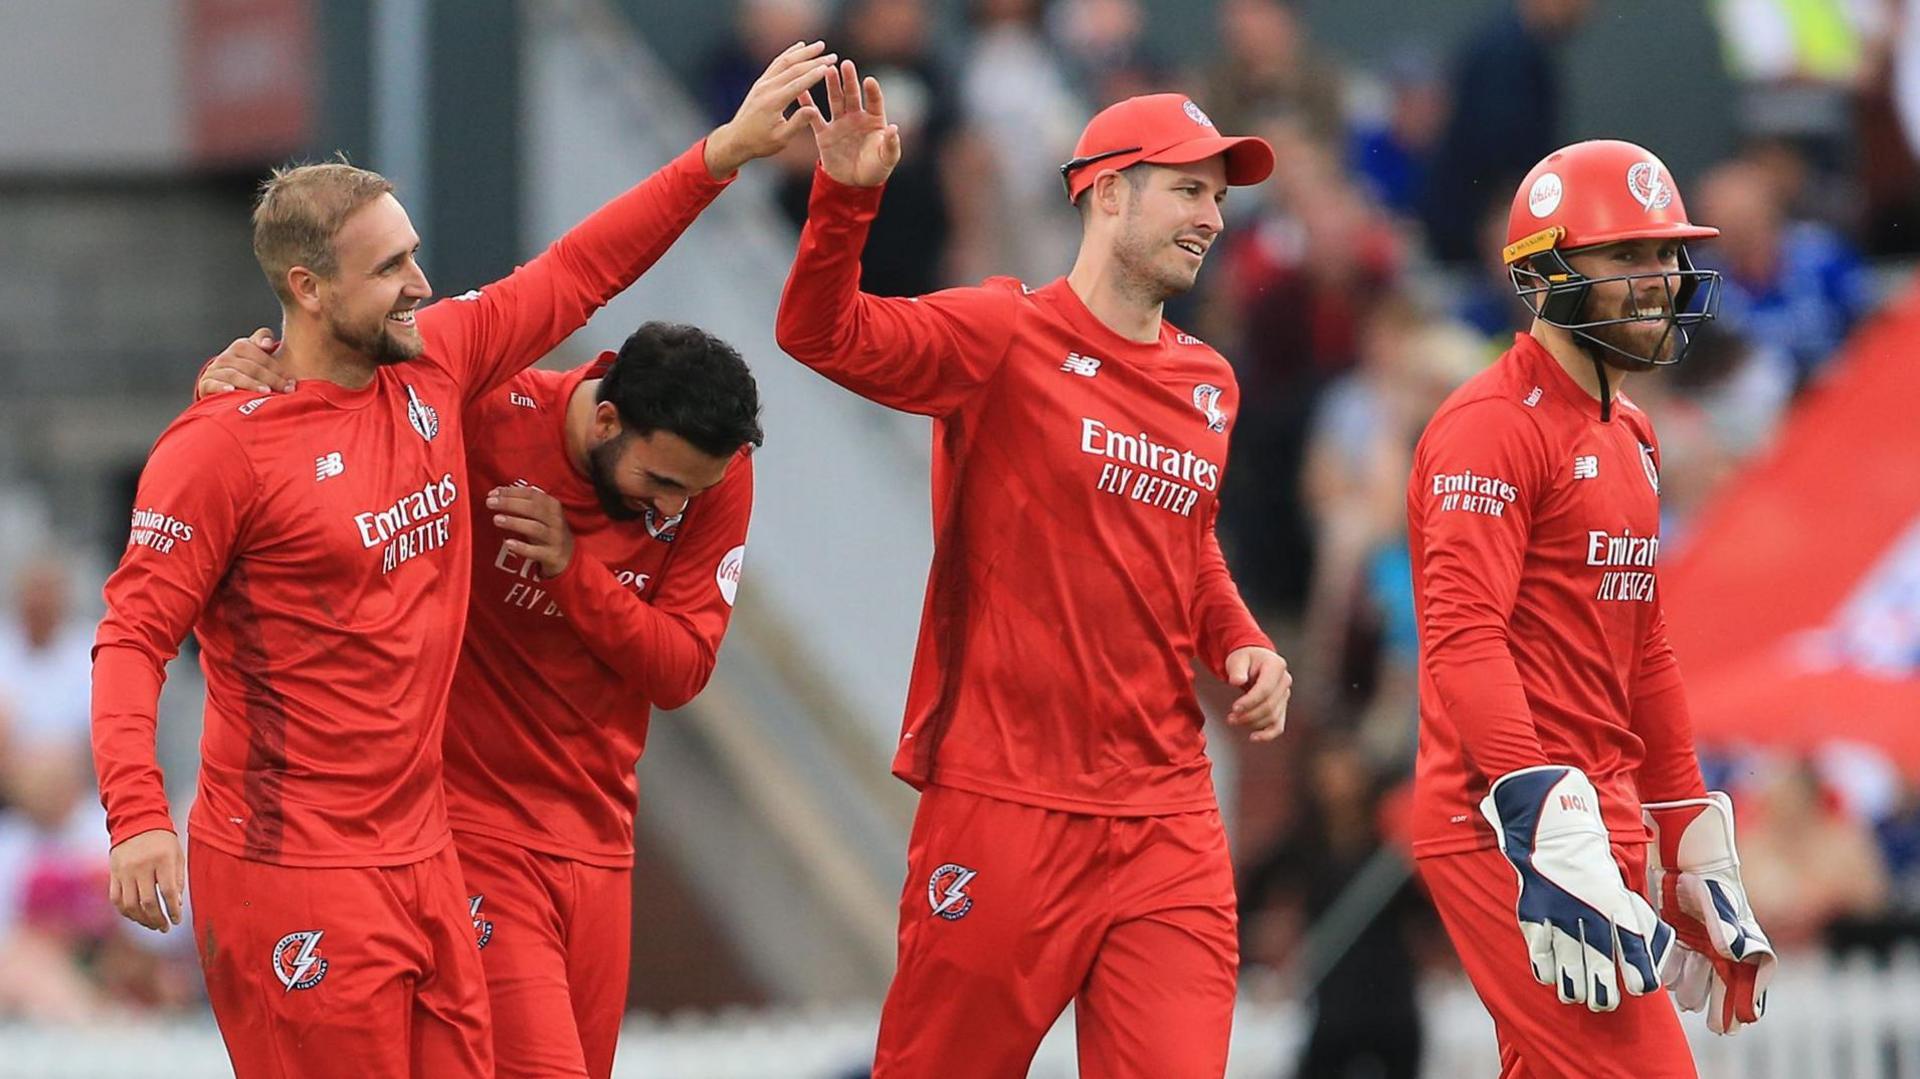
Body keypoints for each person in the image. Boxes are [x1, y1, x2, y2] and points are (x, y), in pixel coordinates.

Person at [92, 41, 832, 1078]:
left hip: (424, 858)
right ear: (307, 288)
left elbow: (578, 270)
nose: (421, 283)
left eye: (413, 254)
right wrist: (135, 818)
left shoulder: (440, 369)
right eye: (390, 267)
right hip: (291, 865)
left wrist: (720, 153)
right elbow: (129, 636)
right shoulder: (220, 447)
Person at [777, 73, 1292, 1077]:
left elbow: (1186, 540)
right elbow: (817, 334)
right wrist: (845, 198)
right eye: (1190, 190)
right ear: (1109, 193)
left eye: (1220, 197)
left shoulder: (1210, 382)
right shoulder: (1001, 334)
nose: (1214, 218)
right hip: (1007, 803)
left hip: (1166, 816)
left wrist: (1239, 637)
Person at [199, 322, 761, 1079]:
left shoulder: (713, 475)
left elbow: (681, 668)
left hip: (599, 839)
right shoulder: (487, 414)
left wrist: (570, 568)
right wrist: (230, 386)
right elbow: (332, 423)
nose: (670, 510)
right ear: (605, 421)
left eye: (688, 494)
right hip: (470, 827)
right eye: (658, 484)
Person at [1407, 139, 1778, 1077]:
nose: (1657, 279)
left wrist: (1688, 824)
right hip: (1506, 821)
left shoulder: (1636, 435)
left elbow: (1641, 647)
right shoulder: (1491, 425)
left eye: (1664, 254)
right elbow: (1463, 637)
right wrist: (1536, 815)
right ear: (1546, 274)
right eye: (1626, 257)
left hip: (1592, 819)